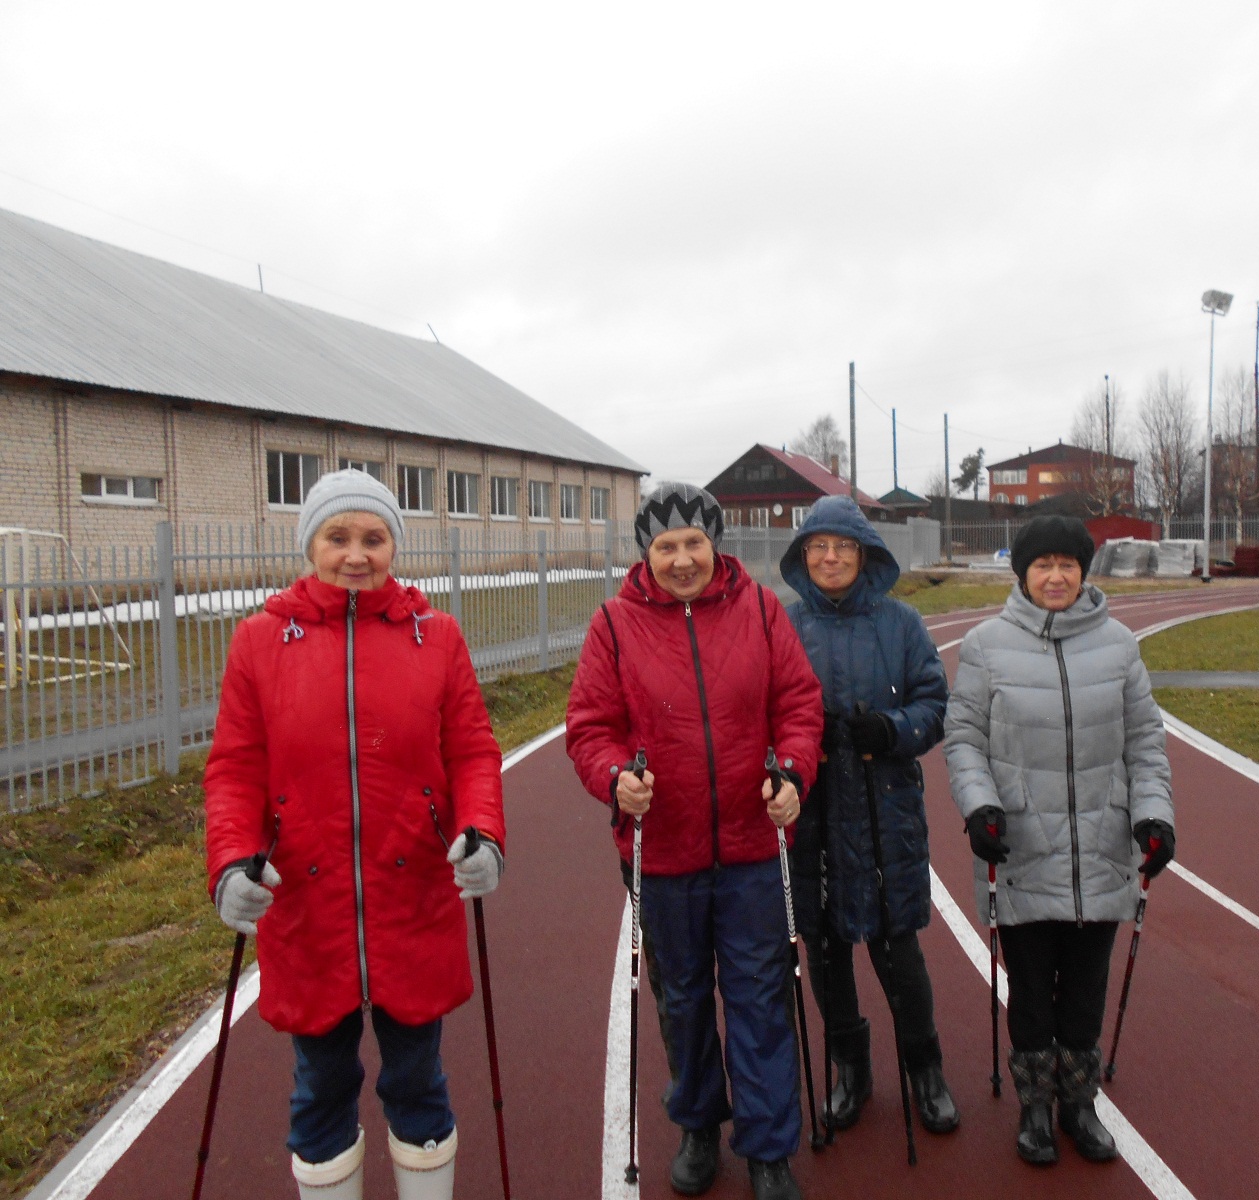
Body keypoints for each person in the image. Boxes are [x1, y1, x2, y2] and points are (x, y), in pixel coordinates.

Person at [205, 468, 506, 1200]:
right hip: (309, 910)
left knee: (417, 1082)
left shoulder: (436, 637)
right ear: (310, 542)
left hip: (413, 901)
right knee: (320, 1088)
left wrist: (482, 831)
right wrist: (229, 863)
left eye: (373, 537)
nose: (356, 553)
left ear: (393, 546)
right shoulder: (258, 642)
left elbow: (471, 750)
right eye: (337, 536)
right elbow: (236, 769)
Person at [565, 482, 824, 1200]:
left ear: (717, 544)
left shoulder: (763, 610)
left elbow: (798, 704)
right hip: (664, 854)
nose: (682, 560)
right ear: (645, 553)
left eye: (694, 544)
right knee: (681, 1001)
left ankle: (769, 1147)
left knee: (759, 996)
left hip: (752, 847)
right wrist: (615, 777)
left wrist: (794, 772)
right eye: (665, 546)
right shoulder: (613, 625)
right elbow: (589, 727)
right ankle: (700, 1124)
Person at [943, 515, 1175, 1167]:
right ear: (1022, 573)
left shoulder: (1121, 646)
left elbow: (1146, 745)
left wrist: (1155, 817)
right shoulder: (986, 645)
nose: (1054, 576)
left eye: (1067, 565)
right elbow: (964, 741)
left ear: (1083, 571)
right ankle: (1036, 1109)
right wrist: (980, 806)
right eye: (1041, 565)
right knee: (1030, 996)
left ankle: (1079, 1103)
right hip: (1020, 851)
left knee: (1083, 992)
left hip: (1102, 853)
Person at [778, 496, 958, 1136]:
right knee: (823, 949)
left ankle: (925, 1066)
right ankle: (850, 1066)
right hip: (812, 814)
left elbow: (934, 703)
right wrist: (791, 749)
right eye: (819, 547)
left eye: (844, 547)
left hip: (885, 814)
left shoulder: (902, 624)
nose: (831, 558)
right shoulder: (783, 624)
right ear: (804, 557)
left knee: (895, 947)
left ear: (864, 555)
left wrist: (890, 728)